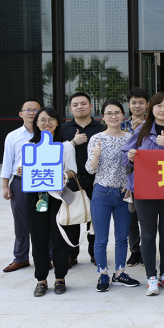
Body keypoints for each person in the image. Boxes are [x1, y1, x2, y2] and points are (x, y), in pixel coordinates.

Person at [120, 92, 164, 296]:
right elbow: (125, 156)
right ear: (152, 108)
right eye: (158, 106)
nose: (162, 110)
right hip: (145, 189)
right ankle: (151, 276)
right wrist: (130, 156)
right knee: (148, 234)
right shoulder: (142, 130)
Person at [21, 108, 77, 296]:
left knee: (59, 238)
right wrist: (22, 171)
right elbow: (23, 169)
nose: (47, 123)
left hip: (58, 196)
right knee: (38, 239)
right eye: (42, 120)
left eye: (51, 119)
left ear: (58, 122)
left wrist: (63, 176)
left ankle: (60, 277)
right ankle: (41, 279)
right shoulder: (29, 145)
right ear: (36, 123)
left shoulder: (66, 146)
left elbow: (73, 171)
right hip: (35, 197)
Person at [86, 100, 139, 291]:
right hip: (102, 192)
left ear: (123, 115)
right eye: (109, 113)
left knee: (122, 237)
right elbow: (90, 169)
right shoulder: (96, 139)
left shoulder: (130, 138)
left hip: (123, 193)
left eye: (117, 112)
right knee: (101, 238)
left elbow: (135, 166)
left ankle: (119, 273)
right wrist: (96, 155)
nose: (113, 116)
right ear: (103, 117)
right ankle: (103, 274)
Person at [0, 97, 42, 273]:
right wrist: (5, 186)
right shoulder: (13, 136)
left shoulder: (48, 134)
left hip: (42, 182)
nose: (32, 113)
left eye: (35, 110)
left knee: (43, 221)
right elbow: (7, 162)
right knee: (21, 222)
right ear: (21, 114)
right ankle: (21, 258)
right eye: (28, 110)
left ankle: (46, 257)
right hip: (19, 183)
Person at [62, 92, 103, 265]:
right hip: (71, 179)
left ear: (91, 106)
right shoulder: (63, 129)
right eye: (75, 104)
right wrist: (72, 142)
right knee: (71, 217)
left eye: (83, 103)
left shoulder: (101, 128)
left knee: (96, 218)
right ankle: (71, 254)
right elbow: (57, 152)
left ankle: (95, 253)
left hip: (95, 180)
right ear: (70, 108)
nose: (80, 107)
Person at [122, 88, 149, 268]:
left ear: (147, 105)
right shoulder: (121, 124)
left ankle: (147, 251)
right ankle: (135, 251)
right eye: (134, 102)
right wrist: (133, 132)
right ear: (129, 105)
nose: (137, 106)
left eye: (141, 102)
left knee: (147, 219)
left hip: (146, 178)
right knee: (130, 218)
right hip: (127, 177)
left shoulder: (151, 125)